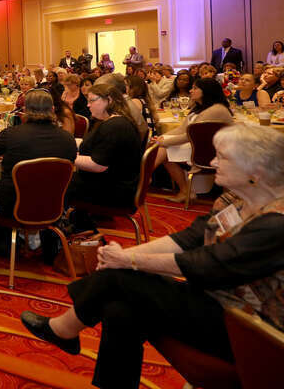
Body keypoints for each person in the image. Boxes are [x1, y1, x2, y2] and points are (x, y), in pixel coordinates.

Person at [21, 124, 284, 389]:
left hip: (252, 331)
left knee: (122, 280)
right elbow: (188, 239)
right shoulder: (235, 200)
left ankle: (65, 329)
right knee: (120, 306)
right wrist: (123, 256)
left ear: (256, 172)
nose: (213, 161)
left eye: (223, 157)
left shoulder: (276, 223)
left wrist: (128, 261)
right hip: (215, 300)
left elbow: (207, 266)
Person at [0, 90, 76, 251]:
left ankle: (3, 240)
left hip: (11, 206)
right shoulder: (68, 139)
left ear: (25, 110)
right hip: (53, 204)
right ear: (52, 110)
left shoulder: (12, 134)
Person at [154, 77, 233, 203]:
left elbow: (189, 135)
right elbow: (182, 129)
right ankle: (183, 191)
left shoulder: (216, 110)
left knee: (164, 149)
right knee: (162, 148)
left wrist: (164, 142)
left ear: (206, 91)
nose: (191, 91)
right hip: (196, 144)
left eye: (195, 88)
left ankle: (142, 178)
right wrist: (162, 137)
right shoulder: (199, 107)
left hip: (209, 151)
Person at [66, 84, 142, 209]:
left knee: (55, 181)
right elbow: (90, 144)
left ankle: (49, 221)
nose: (88, 105)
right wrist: (64, 141)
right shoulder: (114, 121)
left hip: (113, 191)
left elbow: (98, 165)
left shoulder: (115, 126)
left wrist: (64, 156)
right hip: (112, 183)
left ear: (109, 100)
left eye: (92, 101)